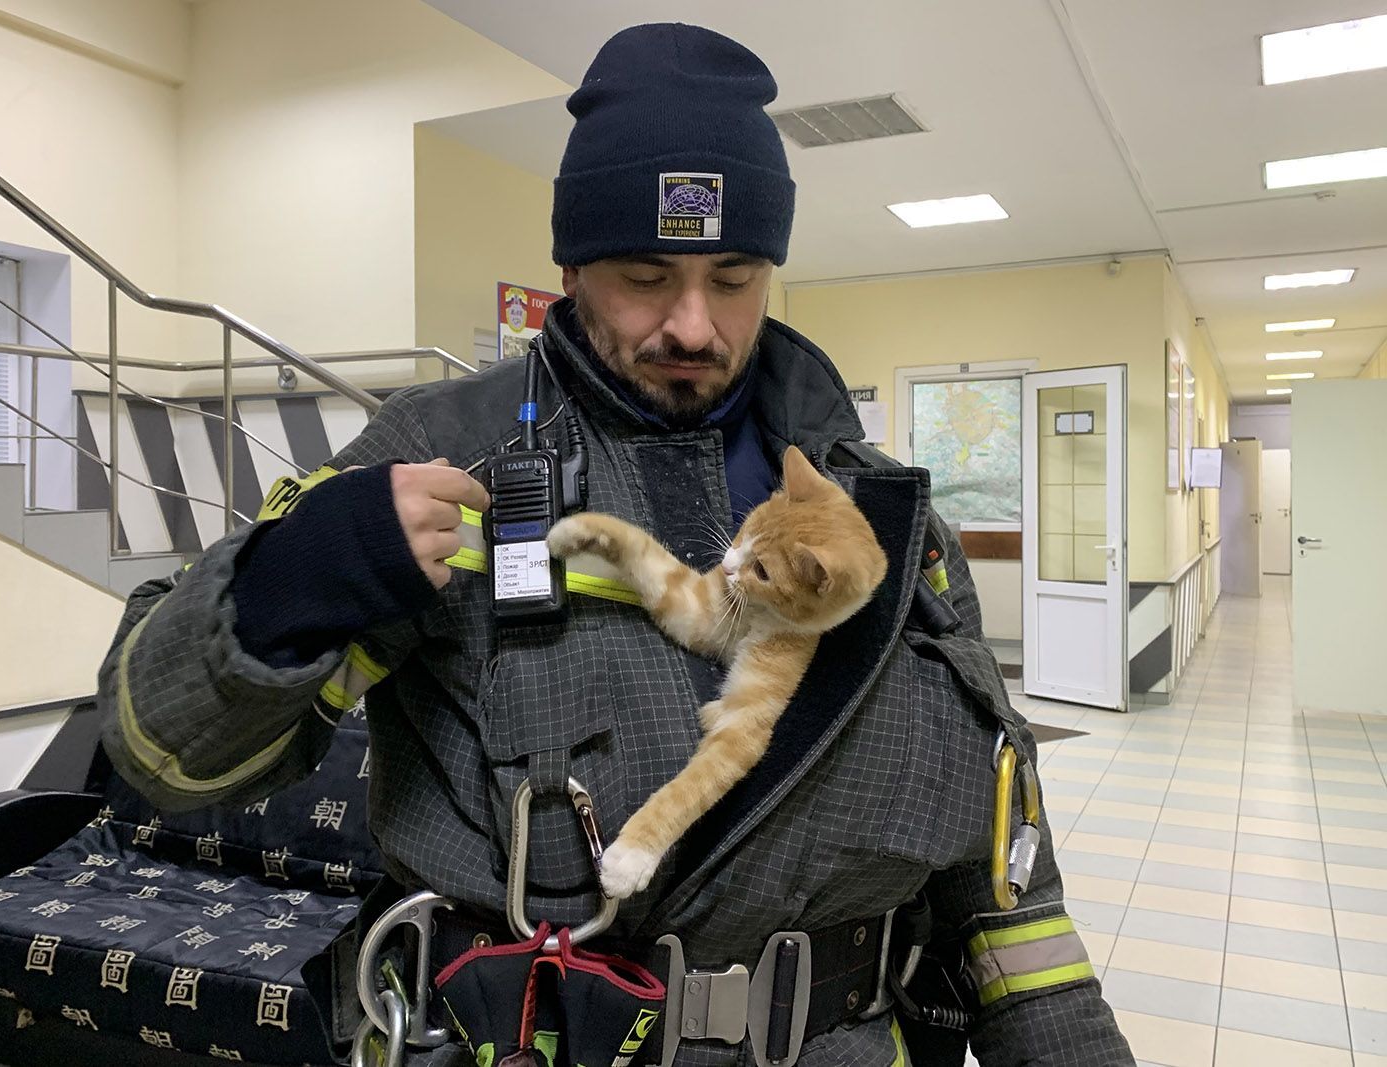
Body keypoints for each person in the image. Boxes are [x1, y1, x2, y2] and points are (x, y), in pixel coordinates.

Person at [97, 21, 1134, 1067]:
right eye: (646, 274)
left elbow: (1010, 890)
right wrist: (286, 584)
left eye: (732, 277)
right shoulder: (443, 458)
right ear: (572, 263)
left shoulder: (877, 512)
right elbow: (163, 757)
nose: (693, 324)